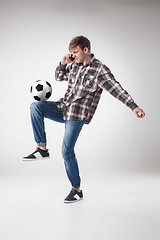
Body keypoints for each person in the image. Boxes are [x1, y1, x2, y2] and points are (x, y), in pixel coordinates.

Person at [23, 35, 145, 203]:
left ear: (85, 50)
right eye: (70, 53)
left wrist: (134, 106)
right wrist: (63, 64)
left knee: (66, 151)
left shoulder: (100, 70)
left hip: (77, 115)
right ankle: (42, 148)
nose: (73, 55)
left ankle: (76, 190)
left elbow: (117, 89)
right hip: (63, 107)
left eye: (75, 52)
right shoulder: (74, 65)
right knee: (35, 106)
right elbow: (59, 77)